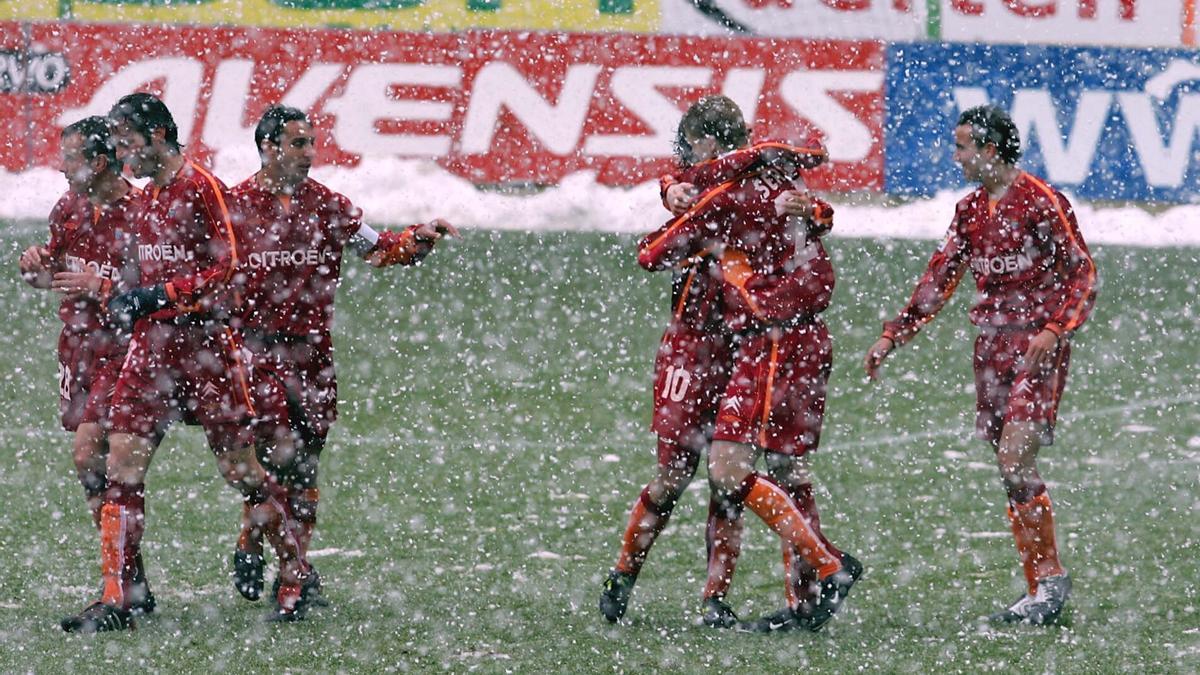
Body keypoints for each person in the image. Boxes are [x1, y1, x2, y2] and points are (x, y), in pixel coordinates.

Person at [60, 93, 311, 632]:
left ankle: (295, 568)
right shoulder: (146, 198)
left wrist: (159, 296)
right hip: (151, 351)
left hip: (206, 352)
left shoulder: (201, 186)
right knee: (120, 466)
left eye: (129, 144)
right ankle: (120, 596)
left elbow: (228, 269)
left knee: (241, 471)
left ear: (156, 136)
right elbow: (137, 276)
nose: (125, 157)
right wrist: (121, 293)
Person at [624, 95, 860, 633]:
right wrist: (673, 189)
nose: (686, 159)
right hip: (798, 336)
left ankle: (826, 567)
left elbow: (649, 253)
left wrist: (696, 227)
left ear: (708, 144)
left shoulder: (729, 193)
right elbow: (812, 185)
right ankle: (805, 598)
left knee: (723, 471)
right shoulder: (777, 174)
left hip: (765, 339)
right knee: (785, 470)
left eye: (692, 149)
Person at [862, 105, 1096, 626]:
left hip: (1036, 348)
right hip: (990, 349)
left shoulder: (1041, 201)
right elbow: (939, 277)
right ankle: (1041, 585)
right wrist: (892, 334)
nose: (956, 156)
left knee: (1015, 459)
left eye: (963, 146)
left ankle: (1049, 582)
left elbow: (1083, 275)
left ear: (991, 150)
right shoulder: (969, 210)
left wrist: (1055, 329)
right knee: (1008, 468)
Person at [227, 105, 457, 603]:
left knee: (305, 463)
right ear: (268, 148)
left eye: (311, 142)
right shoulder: (233, 207)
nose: (309, 153)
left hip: (312, 356)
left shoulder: (328, 205)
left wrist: (415, 240)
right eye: (297, 143)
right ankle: (292, 579)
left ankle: (260, 542)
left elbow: (378, 248)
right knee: (279, 459)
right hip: (256, 353)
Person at [19, 116, 152, 611]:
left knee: (92, 455)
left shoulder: (142, 214)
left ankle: (116, 590)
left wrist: (108, 290)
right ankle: (129, 579)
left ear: (98, 161)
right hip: (78, 349)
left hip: (124, 351)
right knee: (93, 472)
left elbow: (162, 289)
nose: (60, 166)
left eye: (69, 157)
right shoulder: (69, 208)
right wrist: (37, 269)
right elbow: (55, 272)